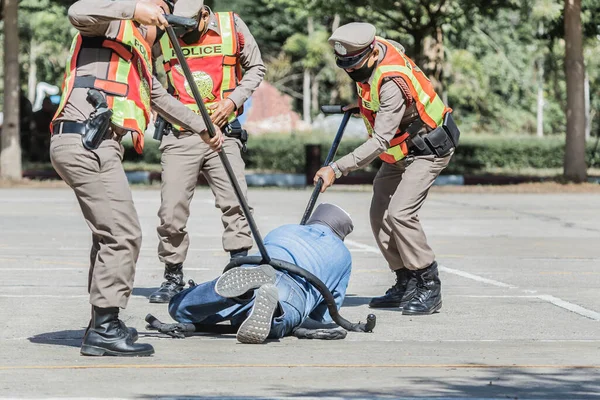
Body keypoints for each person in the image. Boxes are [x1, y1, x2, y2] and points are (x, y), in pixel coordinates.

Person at [50, 0, 223, 357]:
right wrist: (133, 10)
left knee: (109, 234)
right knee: (122, 234)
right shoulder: (107, 26)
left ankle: (102, 323)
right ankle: (105, 327)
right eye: (159, 15)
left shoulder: (137, 57)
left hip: (97, 144)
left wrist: (204, 128)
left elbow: (160, 98)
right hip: (84, 140)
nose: (160, 25)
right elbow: (77, 10)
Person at [314, 23, 459, 316]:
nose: (350, 71)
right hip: (401, 150)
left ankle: (428, 283)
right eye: (345, 66)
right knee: (379, 211)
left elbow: (380, 140)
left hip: (428, 148)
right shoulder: (373, 48)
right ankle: (405, 279)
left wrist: (336, 168)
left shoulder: (391, 81)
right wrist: (363, 108)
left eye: (354, 65)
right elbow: (379, 101)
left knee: (401, 212)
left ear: (368, 54)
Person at [150, 2, 266, 303]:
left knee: (236, 202)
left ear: (204, 14)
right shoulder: (163, 32)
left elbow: (256, 68)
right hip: (180, 134)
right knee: (171, 211)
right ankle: (173, 274)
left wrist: (233, 101)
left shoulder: (231, 26)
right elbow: (145, 79)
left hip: (222, 132)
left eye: (189, 26)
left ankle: (238, 267)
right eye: (178, 26)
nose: (182, 33)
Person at [168, 203, 353, 344]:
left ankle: (239, 295)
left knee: (179, 309)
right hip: (296, 286)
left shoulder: (285, 228)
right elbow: (325, 315)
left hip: (259, 266)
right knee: (280, 322)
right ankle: (277, 311)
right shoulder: (343, 255)